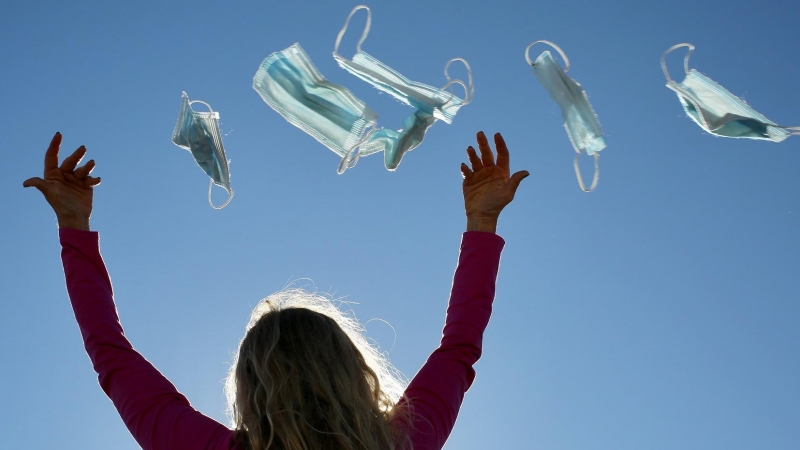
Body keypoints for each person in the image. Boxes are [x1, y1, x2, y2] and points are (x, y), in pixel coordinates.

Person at [24, 131, 529, 450]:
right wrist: (481, 223)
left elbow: (110, 356)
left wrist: (75, 225)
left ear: (249, 387)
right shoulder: (404, 442)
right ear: (353, 370)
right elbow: (460, 348)